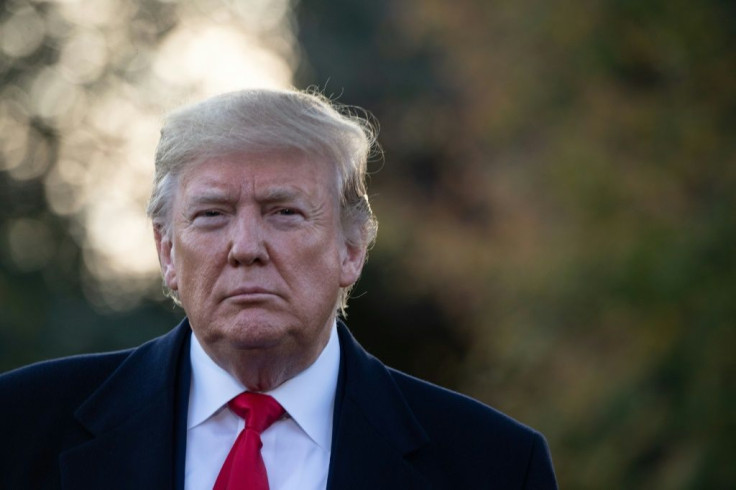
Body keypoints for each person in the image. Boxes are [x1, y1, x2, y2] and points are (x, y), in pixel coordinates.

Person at [0, 88, 558, 489]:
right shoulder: (20, 427)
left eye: (284, 212)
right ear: (167, 251)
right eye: (213, 214)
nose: (246, 246)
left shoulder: (497, 466)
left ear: (352, 249)